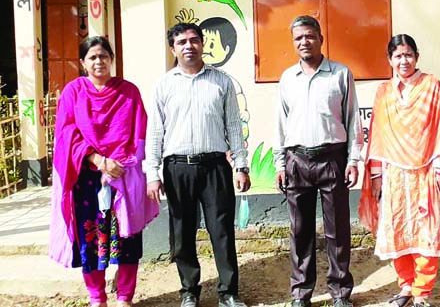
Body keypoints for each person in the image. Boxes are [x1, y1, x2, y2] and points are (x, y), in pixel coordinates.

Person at [144, 22, 251, 307]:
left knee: (222, 232)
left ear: (202, 44)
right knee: (182, 232)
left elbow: (233, 126)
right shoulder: (163, 85)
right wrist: (152, 174)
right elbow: (155, 132)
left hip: (215, 167)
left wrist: (241, 165)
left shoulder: (222, 81)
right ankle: (189, 291)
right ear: (173, 49)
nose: (188, 46)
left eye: (194, 40)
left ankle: (228, 292)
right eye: (182, 42)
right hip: (177, 169)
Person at [48, 36, 160, 307]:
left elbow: (140, 132)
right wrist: (98, 160)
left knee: (127, 237)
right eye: (93, 57)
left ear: (112, 59)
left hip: (124, 174)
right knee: (91, 239)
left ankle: (125, 297)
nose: (99, 62)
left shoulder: (128, 91)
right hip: (86, 177)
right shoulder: (73, 92)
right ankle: (97, 297)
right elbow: (66, 134)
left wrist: (120, 163)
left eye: (104, 56)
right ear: (83, 63)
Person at [359, 34, 440, 307]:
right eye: (398, 56)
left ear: (417, 56)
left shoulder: (431, 86)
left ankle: (421, 292)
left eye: (408, 55)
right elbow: (377, 134)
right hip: (393, 174)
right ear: (390, 60)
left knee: (427, 232)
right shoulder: (383, 92)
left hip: (426, 171)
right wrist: (377, 175)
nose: (404, 60)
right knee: (397, 231)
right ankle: (405, 287)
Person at [274, 15, 362, 307]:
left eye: (310, 36)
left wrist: (353, 160)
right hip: (297, 160)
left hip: (332, 159)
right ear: (293, 42)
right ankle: (301, 293)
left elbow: (352, 121)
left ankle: (340, 292)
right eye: (299, 37)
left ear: (321, 38)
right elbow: (280, 125)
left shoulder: (340, 74)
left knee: (337, 230)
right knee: (300, 231)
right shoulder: (287, 78)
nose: (304, 42)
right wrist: (279, 164)